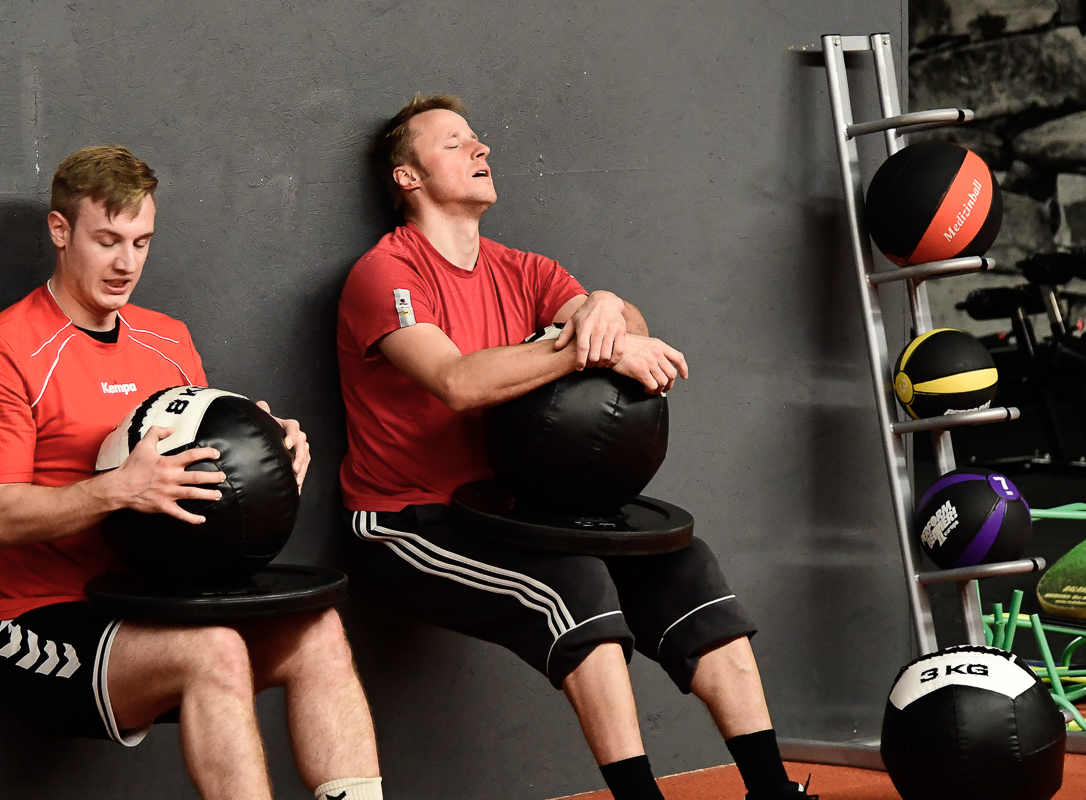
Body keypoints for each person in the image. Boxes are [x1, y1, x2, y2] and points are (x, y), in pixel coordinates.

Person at [336, 96, 813, 800]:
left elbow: (628, 325)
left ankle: (771, 791)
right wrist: (582, 348)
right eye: (454, 144)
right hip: (407, 522)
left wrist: (605, 305)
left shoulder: (522, 270)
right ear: (408, 178)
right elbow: (458, 382)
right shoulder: (387, 274)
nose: (480, 151)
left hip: (514, 510)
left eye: (479, 141)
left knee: (684, 563)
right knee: (576, 585)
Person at [0, 145, 383, 800]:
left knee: (317, 633)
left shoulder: (168, 339)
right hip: (42, 625)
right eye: (107, 241)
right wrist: (119, 489)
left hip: (164, 600)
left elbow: (201, 492)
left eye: (141, 242)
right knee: (214, 652)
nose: (127, 263)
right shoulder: (3, 352)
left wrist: (263, 468)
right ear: (60, 231)